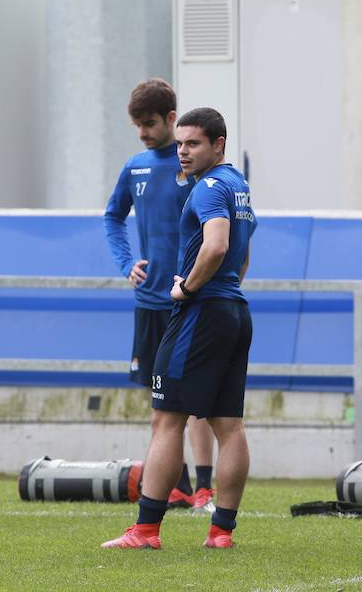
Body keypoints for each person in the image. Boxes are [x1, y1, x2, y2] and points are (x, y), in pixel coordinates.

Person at [103, 107, 256, 550]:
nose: (183, 152)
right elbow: (242, 256)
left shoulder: (208, 187)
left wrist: (187, 289)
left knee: (167, 419)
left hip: (202, 312)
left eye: (193, 144)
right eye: (182, 143)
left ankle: (145, 530)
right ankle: (221, 532)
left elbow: (218, 245)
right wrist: (221, 289)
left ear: (218, 145)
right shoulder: (239, 186)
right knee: (229, 425)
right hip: (234, 311)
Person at [104, 78, 217, 513]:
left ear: (171, 118)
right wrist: (125, 262)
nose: (143, 133)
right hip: (150, 303)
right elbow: (113, 217)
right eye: (137, 125)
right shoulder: (135, 168)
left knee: (199, 402)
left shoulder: (196, 167)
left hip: (192, 301)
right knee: (160, 405)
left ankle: (204, 487)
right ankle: (179, 486)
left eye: (149, 123)